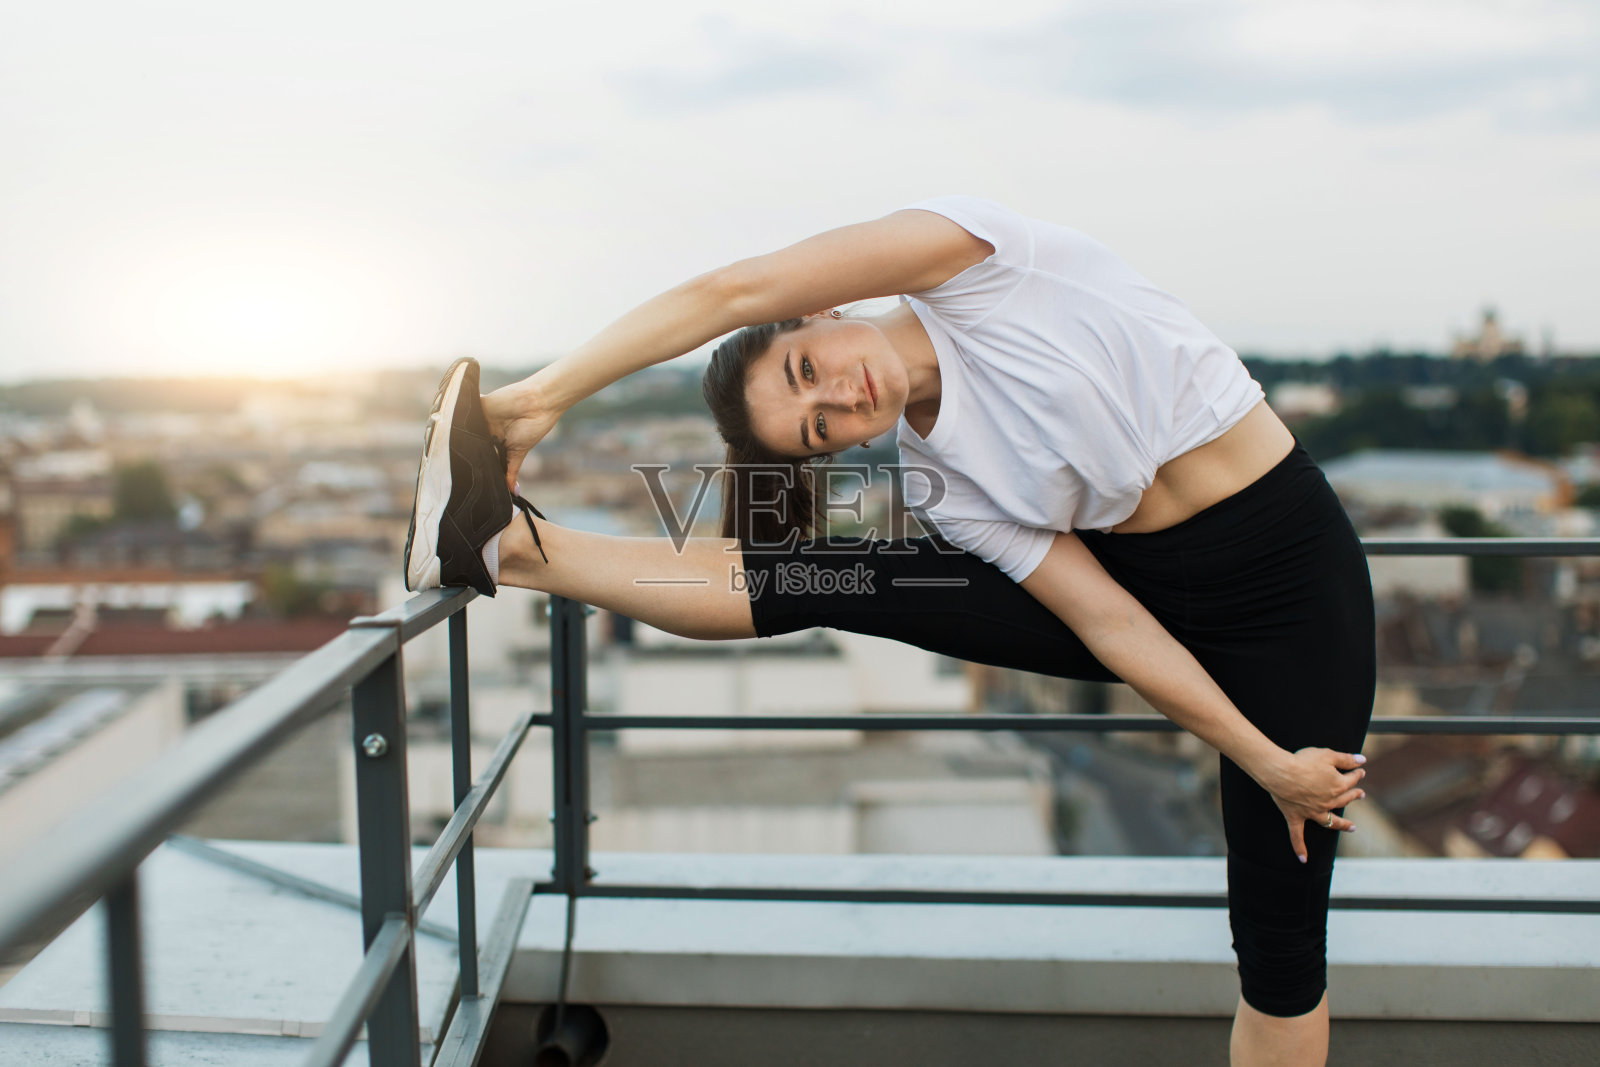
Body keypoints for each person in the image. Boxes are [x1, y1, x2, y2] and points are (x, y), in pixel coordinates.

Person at [404, 196, 1374, 1066]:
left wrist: (541, 398)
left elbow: (729, 287)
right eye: (818, 429)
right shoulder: (947, 486)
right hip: (1143, 590)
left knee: (1279, 939)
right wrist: (1256, 754)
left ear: (816, 314)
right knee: (830, 570)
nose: (838, 400)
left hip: (1289, 583)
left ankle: (507, 516)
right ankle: (503, 547)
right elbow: (1111, 619)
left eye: (806, 370)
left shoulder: (983, 261)